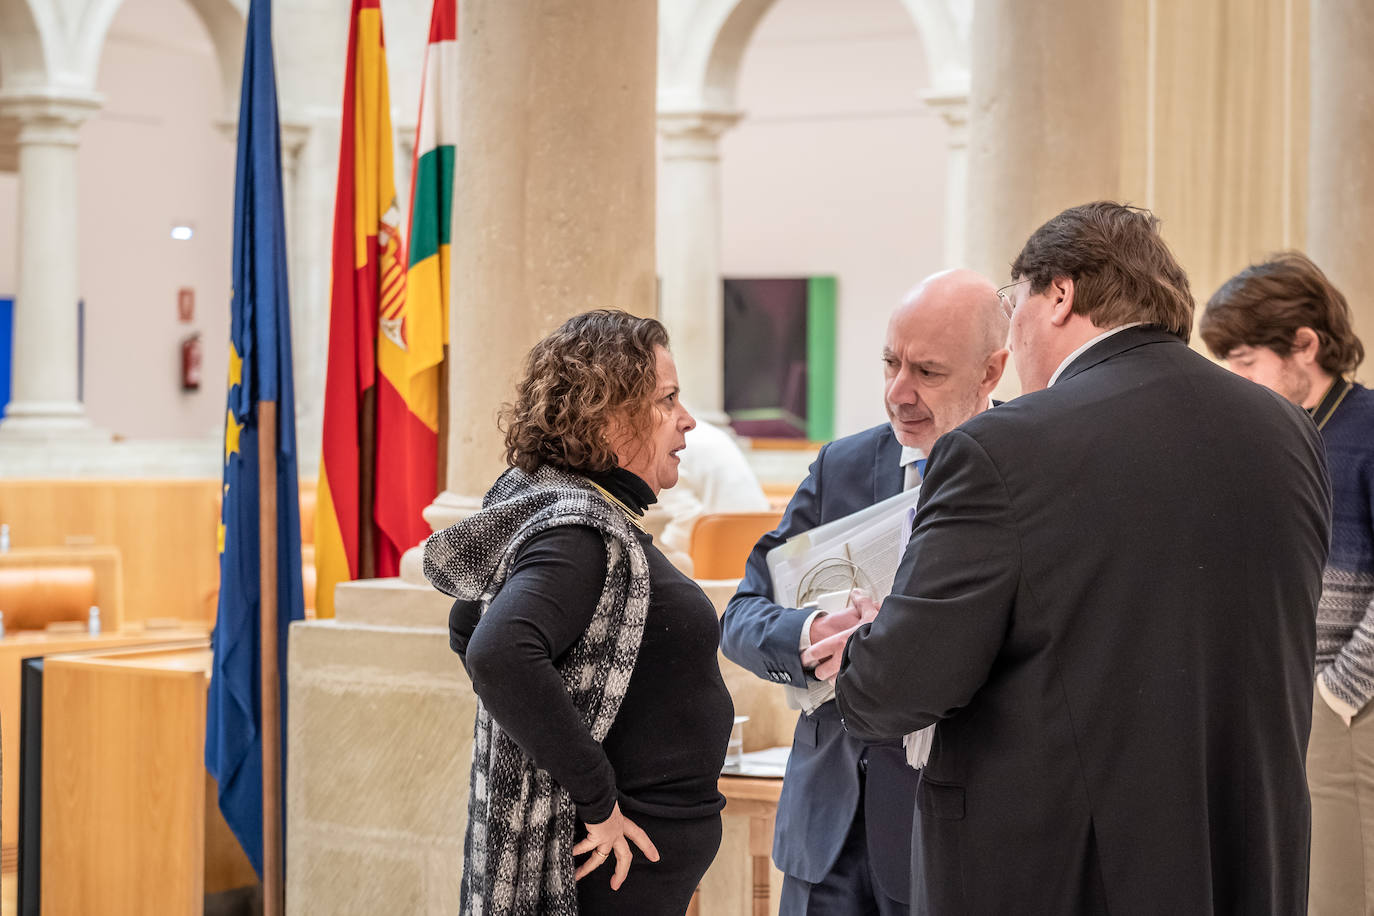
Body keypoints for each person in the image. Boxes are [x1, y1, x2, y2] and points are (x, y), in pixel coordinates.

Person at [836, 202, 1332, 914]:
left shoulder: (1002, 447)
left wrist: (861, 648)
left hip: (1056, 869)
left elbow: (897, 687)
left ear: (1060, 293)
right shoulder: (1286, 431)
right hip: (1246, 856)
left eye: (1016, 303)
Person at [423, 310, 735, 916]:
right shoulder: (579, 529)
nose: (687, 419)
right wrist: (599, 801)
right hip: (608, 865)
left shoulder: (568, 513)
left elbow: (471, 623)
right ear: (608, 418)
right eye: (667, 400)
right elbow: (496, 649)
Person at [720, 269, 1010, 914]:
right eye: (889, 363)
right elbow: (741, 614)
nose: (897, 393)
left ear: (991, 372)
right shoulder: (842, 466)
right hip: (824, 829)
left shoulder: (1025, 471)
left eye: (928, 372)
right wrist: (806, 633)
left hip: (942, 827)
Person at [1200, 252, 1374, 915]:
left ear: (1306, 345)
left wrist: (1337, 693)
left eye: (1246, 361)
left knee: (1342, 895)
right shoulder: (1274, 439)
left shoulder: (1367, 430)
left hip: (1345, 708)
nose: (1237, 381)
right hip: (1277, 702)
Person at [656, 416, 771, 575]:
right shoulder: (707, 432)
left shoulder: (672, 440)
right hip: (758, 558)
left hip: (716, 561)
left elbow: (684, 518)